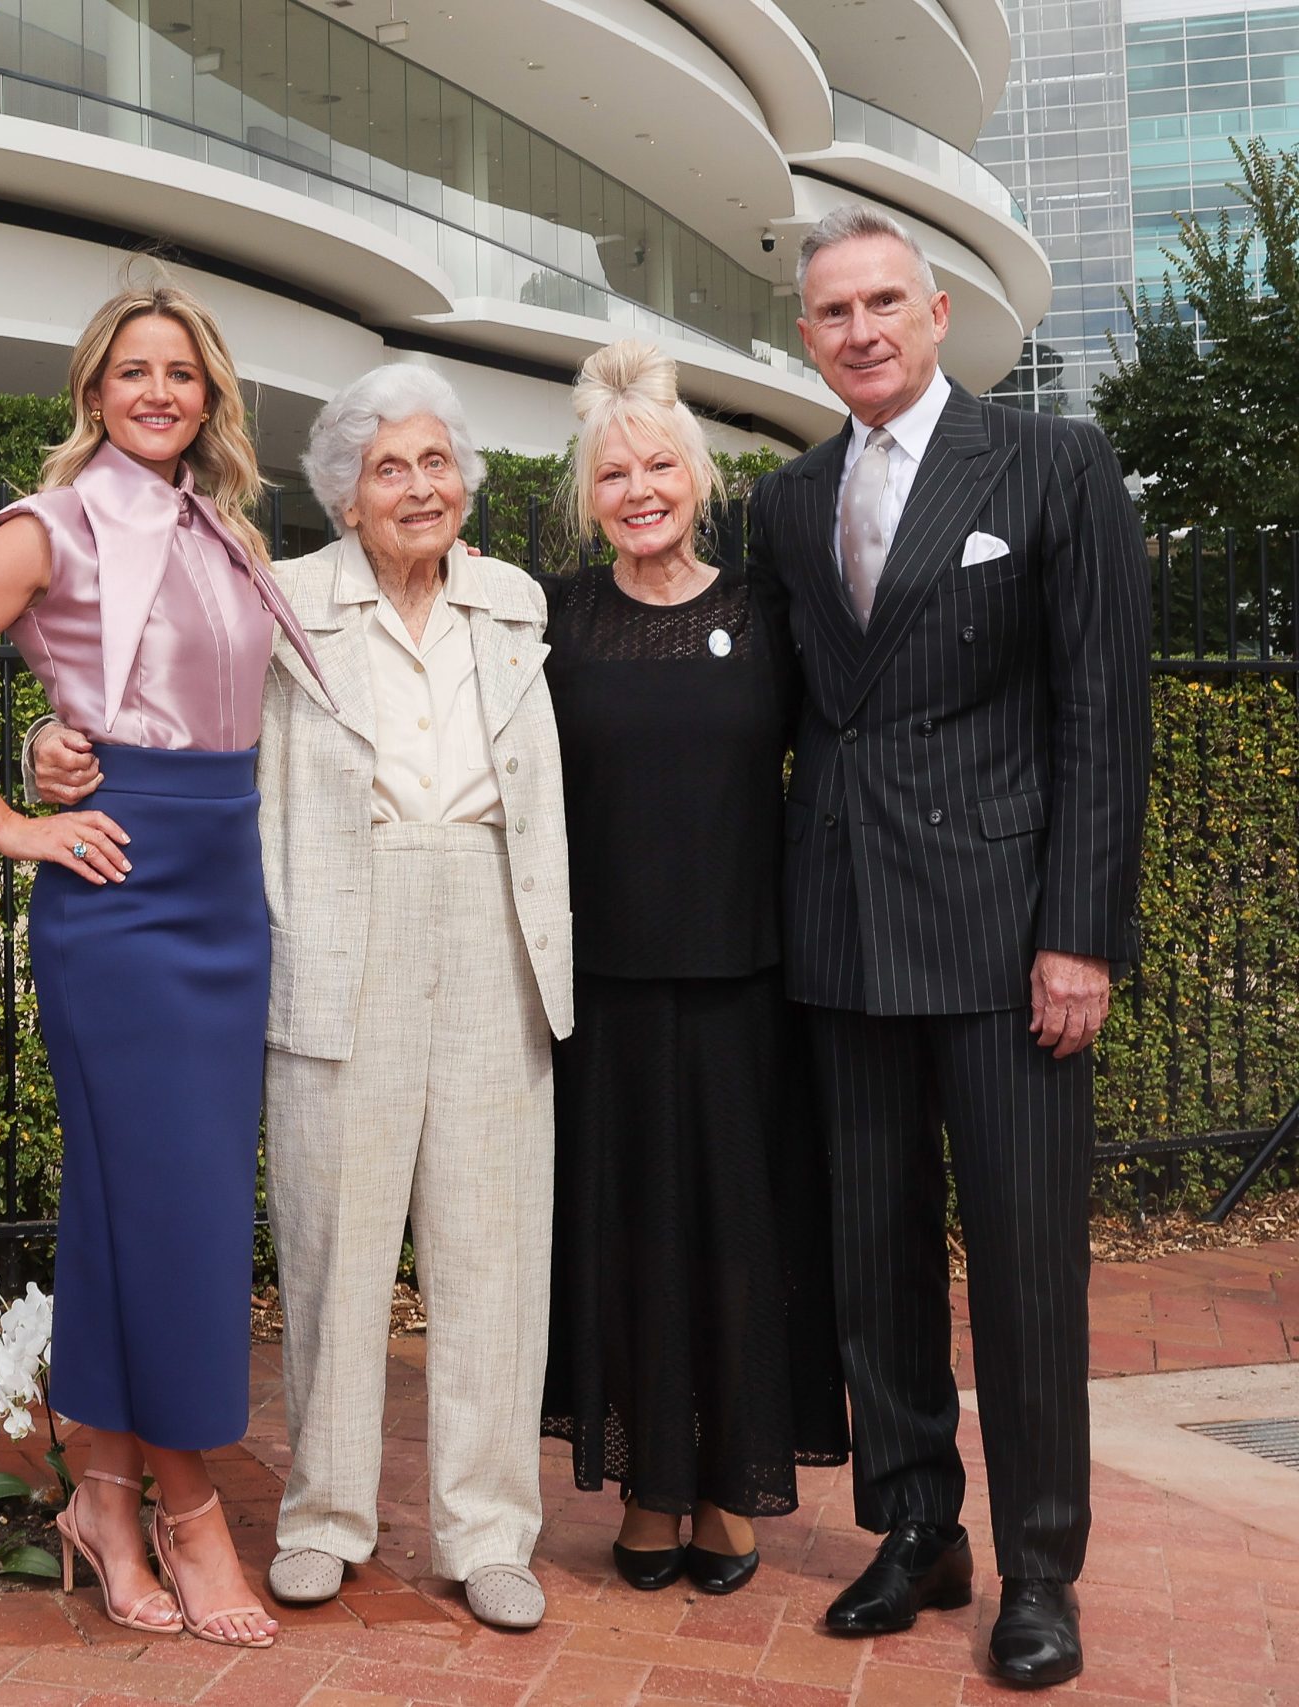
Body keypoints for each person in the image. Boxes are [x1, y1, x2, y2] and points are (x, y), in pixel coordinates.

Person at [33, 362, 574, 1632]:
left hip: (495, 921)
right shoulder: (274, 596)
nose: (419, 486)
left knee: (494, 1247)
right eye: (389, 466)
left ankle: (488, 1531)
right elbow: (155, 712)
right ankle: (327, 1515)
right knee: (333, 1241)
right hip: (340, 924)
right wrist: (46, 751)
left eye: (437, 462)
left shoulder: (513, 601)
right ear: (341, 493)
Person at [0, 283, 317, 1649]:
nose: (161, 391)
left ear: (211, 394)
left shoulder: (225, 531)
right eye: (135, 371)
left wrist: (55, 745)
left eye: (183, 371)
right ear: (94, 391)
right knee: (172, 1217)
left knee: (134, 1212)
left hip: (225, 900)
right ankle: (192, 1510)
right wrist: (17, 815)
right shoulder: (46, 525)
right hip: (116, 905)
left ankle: (105, 1499)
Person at [752, 204, 1149, 1689]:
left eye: (882, 303)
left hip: (1004, 940)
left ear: (935, 315)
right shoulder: (789, 503)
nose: (858, 329)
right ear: (808, 338)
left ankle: (1042, 1564)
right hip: (843, 929)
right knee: (874, 1255)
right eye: (830, 312)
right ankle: (918, 1523)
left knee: (1031, 1269)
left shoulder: (1052, 466)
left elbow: (1105, 717)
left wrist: (1080, 936)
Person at [533, 341, 849, 1597]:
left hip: (745, 989)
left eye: (659, 462)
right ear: (588, 494)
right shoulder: (550, 618)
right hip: (601, 994)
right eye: (614, 473)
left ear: (699, 476)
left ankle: (727, 1490)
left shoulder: (768, 614)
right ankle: (649, 1491)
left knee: (735, 1239)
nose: (640, 488)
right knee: (624, 1240)